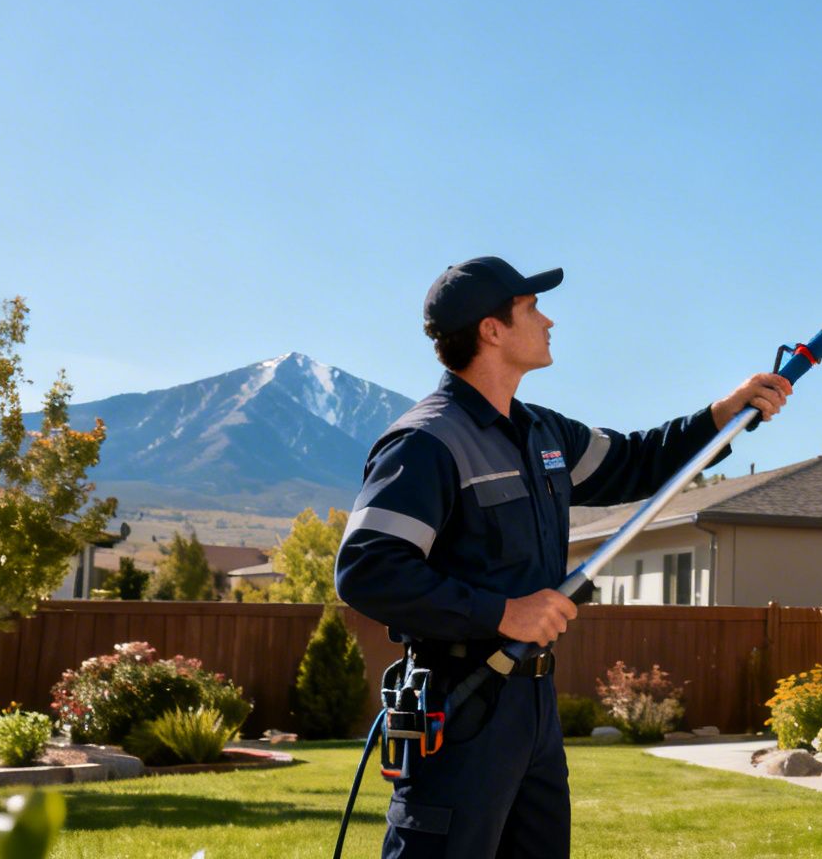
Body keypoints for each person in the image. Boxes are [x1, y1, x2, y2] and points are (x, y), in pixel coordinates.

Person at [335, 256, 790, 858]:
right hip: (461, 700)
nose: (548, 320)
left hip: (533, 708)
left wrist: (722, 416)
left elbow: (639, 461)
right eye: (531, 309)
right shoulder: (427, 443)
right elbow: (367, 569)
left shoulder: (542, 435)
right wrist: (502, 613)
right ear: (491, 330)